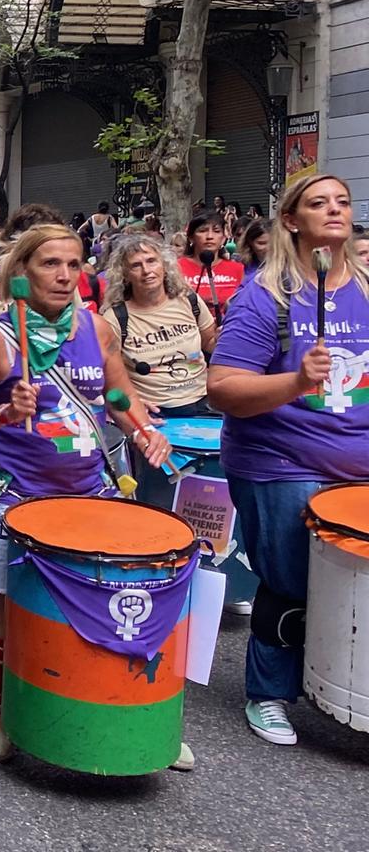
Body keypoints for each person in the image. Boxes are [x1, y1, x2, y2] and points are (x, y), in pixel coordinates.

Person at [0, 224, 173, 768]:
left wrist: (142, 428)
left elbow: (116, 393)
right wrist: (4, 412)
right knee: (11, 610)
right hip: (18, 496)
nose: (65, 275)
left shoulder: (97, 327)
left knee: (98, 602)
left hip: (91, 490)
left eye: (73, 264)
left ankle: (102, 704)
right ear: (21, 273)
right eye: (49, 264)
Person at [207, 173, 369, 748]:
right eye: (318, 202)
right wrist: (297, 381)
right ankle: (270, 693)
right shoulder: (266, 296)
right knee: (293, 581)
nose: (335, 210)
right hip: (282, 461)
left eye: (343, 201)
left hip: (360, 461)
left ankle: (343, 682)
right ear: (292, 220)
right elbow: (223, 388)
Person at [100, 231, 217, 512]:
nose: (146, 270)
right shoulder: (115, 318)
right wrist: (134, 405)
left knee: (209, 496)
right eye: (136, 265)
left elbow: (210, 342)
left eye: (151, 261)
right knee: (160, 504)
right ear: (124, 274)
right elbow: (108, 377)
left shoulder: (189, 300)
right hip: (156, 420)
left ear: (164, 265)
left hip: (204, 411)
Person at [177, 212, 243, 319]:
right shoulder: (176, 268)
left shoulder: (238, 269)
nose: (209, 237)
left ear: (223, 238)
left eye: (216, 231)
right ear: (191, 237)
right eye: (202, 231)